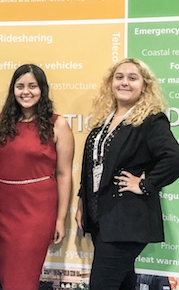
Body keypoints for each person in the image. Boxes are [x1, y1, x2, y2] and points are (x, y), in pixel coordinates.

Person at [75, 58, 179, 289]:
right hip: (103, 219)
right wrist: (83, 199)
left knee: (102, 285)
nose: (125, 83)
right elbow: (93, 164)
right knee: (123, 284)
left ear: (145, 85)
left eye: (133, 78)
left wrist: (144, 185)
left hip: (127, 222)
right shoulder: (106, 119)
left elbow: (174, 158)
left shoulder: (150, 120)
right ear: (111, 83)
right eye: (119, 77)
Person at [0, 64, 74, 290]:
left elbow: (64, 174)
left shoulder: (58, 124)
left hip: (37, 210)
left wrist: (60, 218)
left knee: (23, 277)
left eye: (32, 86)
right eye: (20, 86)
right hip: (4, 208)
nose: (26, 92)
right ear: (13, 90)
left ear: (42, 89)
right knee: (7, 276)